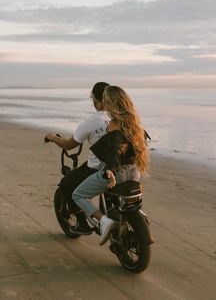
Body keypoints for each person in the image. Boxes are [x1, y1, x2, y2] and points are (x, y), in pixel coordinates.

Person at [72, 85, 149, 245]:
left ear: (110, 103)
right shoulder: (135, 123)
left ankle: (104, 221)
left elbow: (114, 153)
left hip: (116, 173)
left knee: (78, 195)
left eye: (105, 101)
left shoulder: (114, 124)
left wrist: (109, 171)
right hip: (134, 172)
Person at [45, 82, 110, 234]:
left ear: (96, 100)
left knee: (67, 184)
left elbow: (68, 145)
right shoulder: (121, 118)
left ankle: (82, 223)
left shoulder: (91, 121)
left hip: (97, 168)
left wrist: (53, 138)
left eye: (92, 98)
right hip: (124, 166)